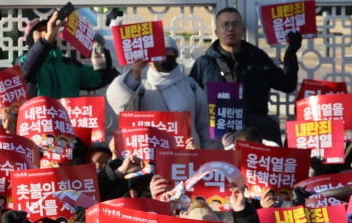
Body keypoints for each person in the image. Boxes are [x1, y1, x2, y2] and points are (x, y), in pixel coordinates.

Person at [189, 7, 302, 143]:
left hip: (256, 137)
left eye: (235, 24)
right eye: (225, 25)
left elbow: (287, 85)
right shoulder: (204, 64)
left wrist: (291, 54)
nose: (230, 28)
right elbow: (191, 102)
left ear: (243, 30)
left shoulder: (258, 58)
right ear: (216, 31)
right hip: (218, 139)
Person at [106, 35, 212, 148]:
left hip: (186, 155)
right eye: (157, 53)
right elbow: (121, 107)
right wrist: (135, 73)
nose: (163, 57)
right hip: (149, 153)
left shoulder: (191, 86)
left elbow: (206, 126)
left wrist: (204, 156)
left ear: (176, 55)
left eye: (168, 51)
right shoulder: (141, 85)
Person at [21, 9, 112, 99]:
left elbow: (97, 79)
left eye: (47, 28)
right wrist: (45, 42)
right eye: (39, 31)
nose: (46, 32)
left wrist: (99, 49)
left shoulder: (70, 65)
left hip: (67, 113)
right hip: (39, 113)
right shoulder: (23, 61)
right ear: (30, 39)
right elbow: (27, 69)